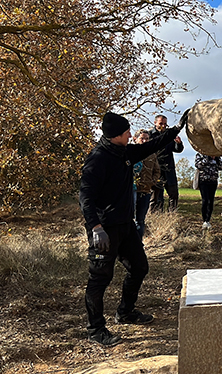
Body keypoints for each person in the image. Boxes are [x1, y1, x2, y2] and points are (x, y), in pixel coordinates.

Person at [79, 110, 188, 347]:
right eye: (127, 131)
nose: (131, 133)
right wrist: (95, 227)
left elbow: (153, 145)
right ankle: (95, 329)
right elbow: (85, 197)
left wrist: (177, 128)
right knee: (100, 278)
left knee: (139, 267)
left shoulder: (126, 152)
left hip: (126, 226)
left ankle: (126, 312)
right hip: (104, 229)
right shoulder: (97, 159)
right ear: (116, 135)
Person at [149, 114, 184, 212]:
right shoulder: (150, 135)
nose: (163, 126)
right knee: (157, 197)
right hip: (155, 170)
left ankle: (171, 216)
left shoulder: (169, 134)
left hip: (169, 169)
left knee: (174, 195)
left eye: (165, 124)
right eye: (161, 123)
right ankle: (157, 218)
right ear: (155, 123)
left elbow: (178, 150)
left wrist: (178, 143)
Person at [133, 129, 160, 239]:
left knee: (140, 220)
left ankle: (138, 244)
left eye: (147, 139)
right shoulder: (130, 152)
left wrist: (152, 182)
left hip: (145, 190)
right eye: (142, 138)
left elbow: (157, 171)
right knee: (127, 219)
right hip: (130, 190)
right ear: (135, 139)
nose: (144, 141)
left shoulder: (152, 154)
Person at [195, 153, 222, 229]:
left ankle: (208, 220)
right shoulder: (200, 155)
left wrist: (216, 159)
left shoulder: (217, 156)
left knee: (211, 201)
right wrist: (207, 158)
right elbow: (198, 165)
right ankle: (204, 220)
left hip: (213, 181)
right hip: (203, 181)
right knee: (205, 200)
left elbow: (221, 167)